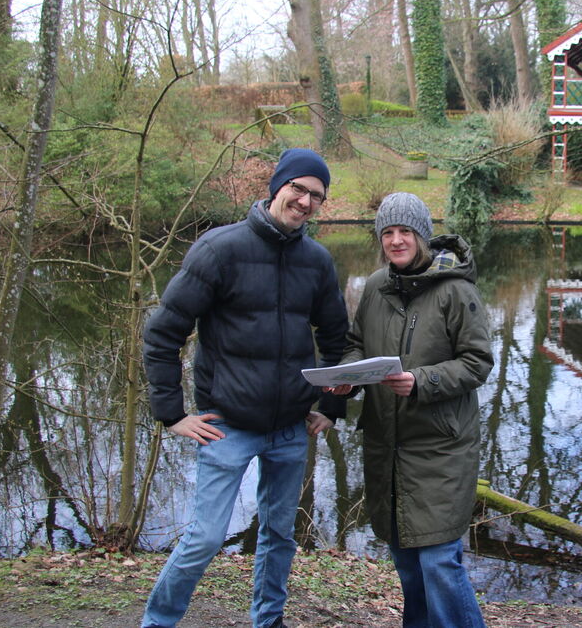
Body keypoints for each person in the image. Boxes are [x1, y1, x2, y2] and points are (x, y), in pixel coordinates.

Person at [140, 148, 348, 628]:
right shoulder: (219, 249)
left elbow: (338, 340)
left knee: (279, 535)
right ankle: (157, 622)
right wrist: (172, 413)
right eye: (298, 188)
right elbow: (164, 332)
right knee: (206, 536)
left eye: (316, 196)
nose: (304, 201)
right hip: (226, 425)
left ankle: (268, 620)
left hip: (291, 429)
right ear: (277, 186)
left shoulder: (316, 261)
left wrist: (330, 407)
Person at [328, 192, 493, 628]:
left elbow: (477, 363)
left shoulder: (456, 290)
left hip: (440, 447)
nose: (396, 241)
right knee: (406, 561)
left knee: (439, 562)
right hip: (387, 443)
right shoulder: (376, 287)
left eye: (405, 232)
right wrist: (348, 375)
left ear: (423, 235)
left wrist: (423, 380)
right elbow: (356, 345)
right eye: (388, 233)